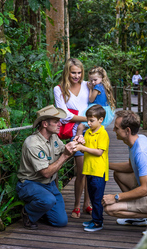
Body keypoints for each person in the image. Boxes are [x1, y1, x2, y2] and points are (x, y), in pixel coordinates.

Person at [16, 105, 82, 229]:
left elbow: (65, 150)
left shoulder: (54, 137)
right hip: (30, 184)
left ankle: (42, 210)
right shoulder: (33, 144)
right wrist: (65, 156)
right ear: (45, 124)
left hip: (49, 185)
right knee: (48, 200)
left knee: (61, 222)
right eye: (56, 122)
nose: (60, 125)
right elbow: (46, 173)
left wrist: (76, 142)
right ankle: (28, 214)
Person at [102, 110, 147, 227]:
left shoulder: (141, 152)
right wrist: (105, 164)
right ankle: (141, 215)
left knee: (109, 208)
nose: (113, 130)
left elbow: (145, 189)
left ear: (127, 131)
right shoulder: (136, 140)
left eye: (116, 128)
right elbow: (130, 167)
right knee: (119, 174)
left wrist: (116, 198)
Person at [53, 58, 91, 218]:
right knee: (81, 171)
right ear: (67, 72)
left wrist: (91, 121)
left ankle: (87, 204)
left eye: (79, 72)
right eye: (73, 72)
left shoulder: (88, 85)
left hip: (93, 132)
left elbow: (98, 105)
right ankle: (76, 205)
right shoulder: (59, 89)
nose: (76, 76)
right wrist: (89, 119)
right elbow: (64, 115)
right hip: (75, 134)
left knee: (92, 171)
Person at [74, 105, 110, 232]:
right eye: (88, 120)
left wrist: (82, 148)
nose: (88, 123)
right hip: (89, 170)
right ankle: (95, 218)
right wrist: (80, 141)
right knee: (92, 195)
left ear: (100, 120)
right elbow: (87, 149)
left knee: (97, 198)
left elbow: (99, 152)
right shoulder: (88, 132)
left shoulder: (103, 133)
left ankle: (98, 223)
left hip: (98, 171)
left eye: (91, 120)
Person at [76, 66, 116, 136]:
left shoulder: (97, 87)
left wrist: (91, 89)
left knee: (80, 127)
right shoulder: (104, 86)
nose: (93, 82)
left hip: (96, 110)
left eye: (95, 80)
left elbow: (91, 99)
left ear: (101, 78)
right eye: (91, 80)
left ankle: (77, 143)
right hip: (105, 110)